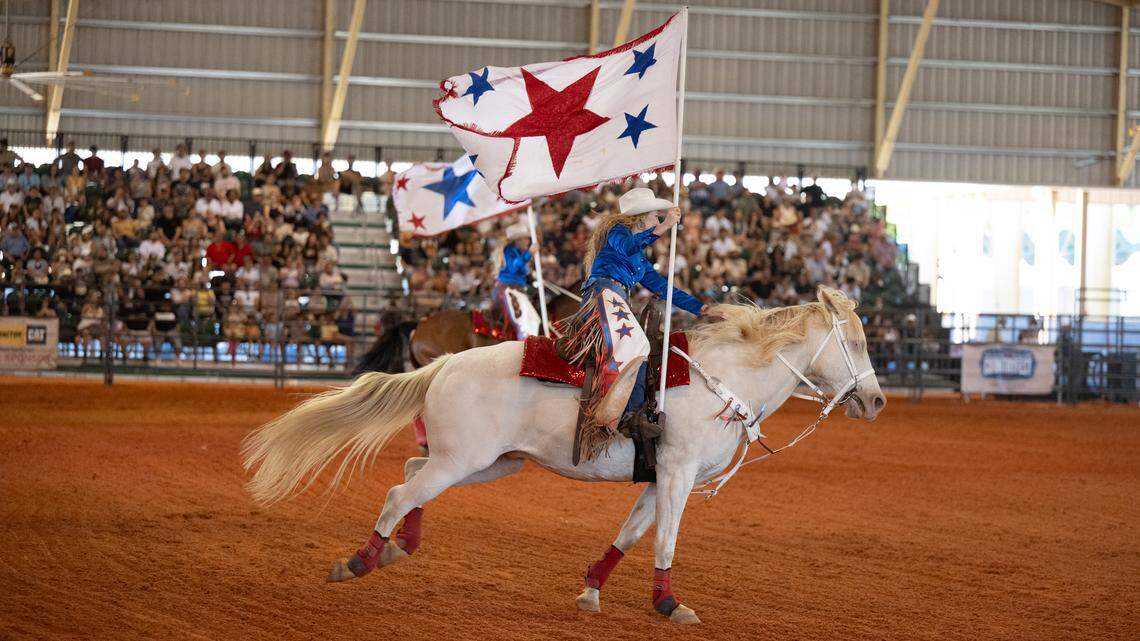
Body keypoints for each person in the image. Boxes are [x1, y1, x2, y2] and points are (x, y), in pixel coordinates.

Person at [554, 188, 706, 453]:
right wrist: (665, 227)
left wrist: (700, 308)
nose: (658, 221)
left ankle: (629, 409)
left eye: (660, 218)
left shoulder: (640, 258)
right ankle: (627, 416)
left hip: (616, 297)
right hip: (603, 292)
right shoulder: (619, 234)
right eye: (655, 217)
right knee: (637, 344)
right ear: (641, 217)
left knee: (639, 346)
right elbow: (629, 246)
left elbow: (662, 286)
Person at [490, 222, 534, 339]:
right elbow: (514, 267)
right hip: (508, 290)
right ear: (518, 240)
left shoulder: (519, 252)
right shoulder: (509, 250)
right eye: (526, 239)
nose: (528, 241)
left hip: (515, 289)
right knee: (522, 320)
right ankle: (524, 344)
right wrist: (529, 253)